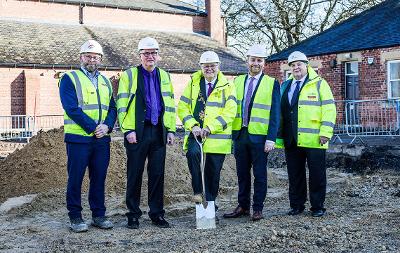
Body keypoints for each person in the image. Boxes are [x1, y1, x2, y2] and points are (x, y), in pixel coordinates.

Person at [117, 37, 176, 229]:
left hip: (158, 131)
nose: (150, 56)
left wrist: (171, 129)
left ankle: (156, 214)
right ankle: (133, 215)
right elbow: (122, 104)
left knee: (157, 174)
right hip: (137, 132)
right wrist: (128, 130)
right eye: (146, 53)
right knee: (135, 174)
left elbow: (169, 104)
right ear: (140, 55)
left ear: (158, 55)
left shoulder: (165, 76)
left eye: (153, 53)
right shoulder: (130, 75)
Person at [59, 39, 117, 232]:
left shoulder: (105, 81)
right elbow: (71, 108)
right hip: (78, 139)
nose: (92, 59)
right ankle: (75, 217)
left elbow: (113, 107)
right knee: (75, 178)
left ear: (100, 59)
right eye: (88, 56)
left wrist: (107, 126)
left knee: (99, 178)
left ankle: (98, 215)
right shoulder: (69, 78)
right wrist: (94, 127)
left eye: (96, 57)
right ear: (81, 57)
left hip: (102, 139)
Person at [223, 44, 281, 221]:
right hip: (240, 135)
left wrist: (272, 138)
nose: (255, 63)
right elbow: (231, 107)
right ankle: (243, 206)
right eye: (253, 60)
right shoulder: (238, 81)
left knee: (260, 174)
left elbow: (275, 113)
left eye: (259, 60)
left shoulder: (272, 84)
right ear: (247, 61)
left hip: (260, 137)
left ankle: (258, 208)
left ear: (264, 63)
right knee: (242, 174)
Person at [277, 51, 336, 217]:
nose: (296, 67)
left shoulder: (319, 83)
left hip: (315, 138)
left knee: (317, 174)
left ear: (306, 65)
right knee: (295, 175)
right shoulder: (285, 86)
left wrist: (326, 132)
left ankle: (317, 207)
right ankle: (296, 205)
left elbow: (329, 109)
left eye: (299, 64)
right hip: (291, 138)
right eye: (293, 65)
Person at [177, 51, 237, 209]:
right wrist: (193, 125)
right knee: (193, 154)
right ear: (201, 67)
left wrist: (211, 127)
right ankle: (198, 193)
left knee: (213, 171)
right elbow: (182, 107)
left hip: (217, 137)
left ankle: (210, 202)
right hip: (196, 133)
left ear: (218, 66)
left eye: (212, 65)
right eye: (206, 66)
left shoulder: (228, 86)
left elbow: (230, 112)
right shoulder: (193, 83)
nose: (209, 68)